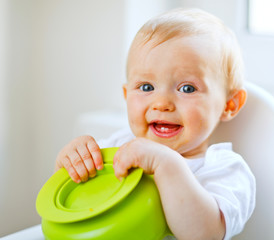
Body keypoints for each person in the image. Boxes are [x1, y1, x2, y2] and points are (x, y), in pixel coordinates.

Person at [55, 8, 255, 240]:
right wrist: (71, 164)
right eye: (146, 87)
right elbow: (77, 206)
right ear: (126, 94)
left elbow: (205, 235)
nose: (161, 104)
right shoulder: (115, 147)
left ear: (229, 104)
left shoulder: (224, 170)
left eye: (187, 88)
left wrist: (164, 163)